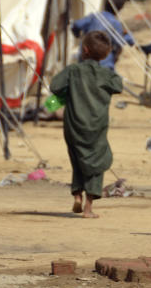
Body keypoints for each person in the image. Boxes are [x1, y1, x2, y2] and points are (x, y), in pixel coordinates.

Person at [50, 31, 123, 218]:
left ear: (84, 50)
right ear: (106, 55)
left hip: (73, 127)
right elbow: (118, 86)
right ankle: (88, 208)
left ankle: (77, 196)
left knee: (78, 160)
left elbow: (55, 86)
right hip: (97, 128)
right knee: (98, 163)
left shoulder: (73, 71)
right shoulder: (107, 75)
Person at [70, 0, 135, 72]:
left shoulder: (94, 16)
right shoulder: (116, 24)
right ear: (119, 9)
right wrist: (127, 36)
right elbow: (121, 42)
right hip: (104, 65)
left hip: (84, 60)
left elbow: (76, 25)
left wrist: (78, 36)